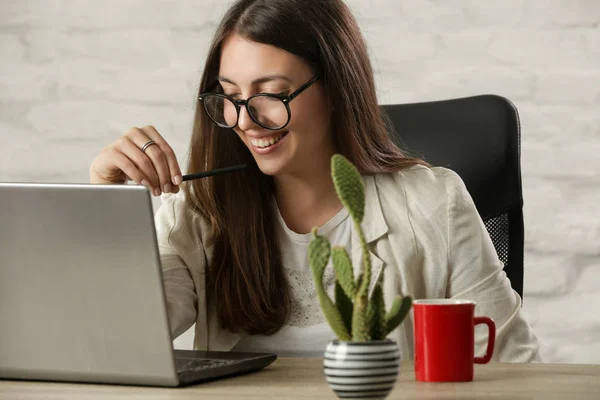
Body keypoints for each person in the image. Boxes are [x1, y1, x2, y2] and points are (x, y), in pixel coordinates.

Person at [90, 0, 541, 361]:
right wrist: (107, 209)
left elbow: (517, 366)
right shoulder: (199, 209)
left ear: (337, 87)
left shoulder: (434, 202)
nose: (247, 121)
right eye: (230, 97)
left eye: (273, 94)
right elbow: (119, 338)